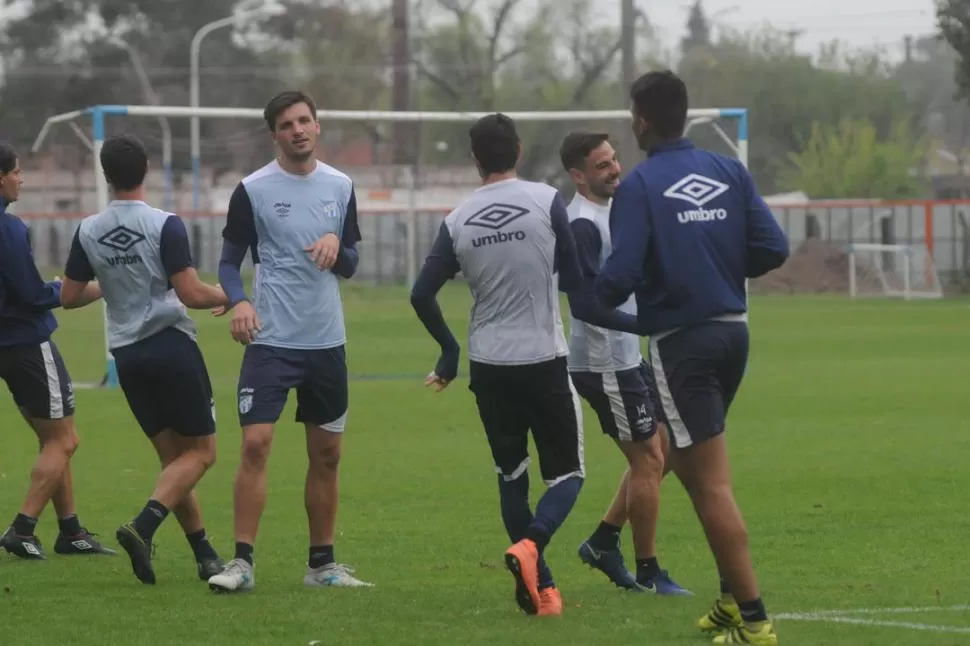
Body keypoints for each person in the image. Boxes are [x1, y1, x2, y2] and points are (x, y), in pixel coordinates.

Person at [594, 71, 789, 645]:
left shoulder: (642, 185)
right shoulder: (728, 171)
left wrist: (592, 290)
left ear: (643, 120)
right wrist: (717, 266)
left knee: (710, 485)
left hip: (684, 344)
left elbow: (622, 274)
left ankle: (754, 620)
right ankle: (730, 600)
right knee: (687, 463)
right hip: (734, 335)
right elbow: (772, 248)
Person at [410, 113, 585, 617]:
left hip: (489, 366)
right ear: (519, 149)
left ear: (474, 159)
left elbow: (422, 294)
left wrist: (448, 351)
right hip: (543, 359)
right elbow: (573, 275)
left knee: (512, 475)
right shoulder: (546, 200)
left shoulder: (458, 218)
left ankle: (543, 590)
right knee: (568, 475)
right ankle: (532, 548)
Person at [207, 90, 369, 593]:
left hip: (326, 343)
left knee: (327, 455)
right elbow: (229, 262)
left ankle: (322, 566)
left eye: (304, 120)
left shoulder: (341, 186)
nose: (297, 129)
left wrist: (337, 243)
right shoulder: (252, 190)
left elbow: (351, 263)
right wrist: (239, 302)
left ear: (317, 127)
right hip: (271, 340)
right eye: (286, 124)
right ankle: (242, 563)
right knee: (256, 444)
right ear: (274, 134)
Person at [60, 134, 228, 585]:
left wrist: (111, 285)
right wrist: (231, 295)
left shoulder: (89, 229)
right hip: (170, 346)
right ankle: (143, 525)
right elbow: (191, 294)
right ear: (147, 169)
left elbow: (70, 296)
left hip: (128, 356)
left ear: (106, 175)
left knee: (173, 461)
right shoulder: (165, 223)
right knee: (202, 453)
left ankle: (205, 554)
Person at [558, 131, 690, 596]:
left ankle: (603, 540)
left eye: (614, 160)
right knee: (650, 459)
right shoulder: (581, 225)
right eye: (602, 165)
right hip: (604, 362)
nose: (614, 169)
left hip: (627, 356)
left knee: (667, 447)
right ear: (578, 175)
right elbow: (586, 305)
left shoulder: (615, 211)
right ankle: (650, 573)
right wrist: (646, 324)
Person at [0, 141, 114, 560]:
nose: (21, 179)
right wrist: (74, 289)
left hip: (6, 346)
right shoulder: (9, 229)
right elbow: (31, 295)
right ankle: (23, 527)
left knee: (51, 438)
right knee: (65, 439)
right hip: (27, 343)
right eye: (16, 171)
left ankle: (70, 532)